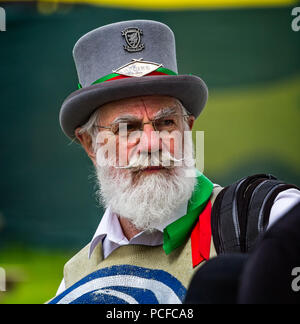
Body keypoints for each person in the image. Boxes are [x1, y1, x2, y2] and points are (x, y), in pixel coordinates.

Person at [49, 20, 300, 304]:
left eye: (166, 122)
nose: (152, 143)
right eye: (127, 128)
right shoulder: (74, 281)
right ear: (90, 144)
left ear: (188, 127)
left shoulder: (258, 214)